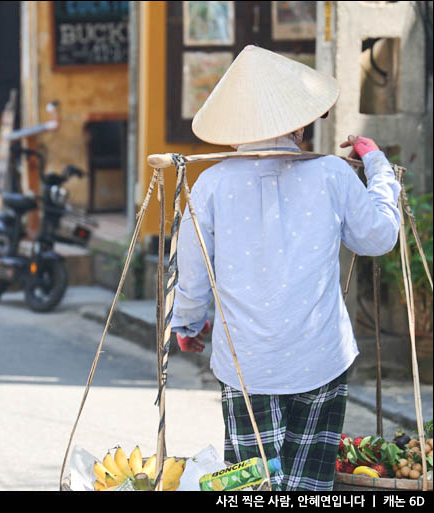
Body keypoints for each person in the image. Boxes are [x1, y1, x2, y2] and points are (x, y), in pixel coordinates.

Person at [171, 46, 401, 492]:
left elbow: (193, 270)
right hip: (321, 356)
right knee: (308, 486)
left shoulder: (212, 184)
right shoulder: (333, 173)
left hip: (247, 362)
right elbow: (377, 236)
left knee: (251, 487)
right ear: (299, 123)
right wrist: (375, 163)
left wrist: (187, 323)